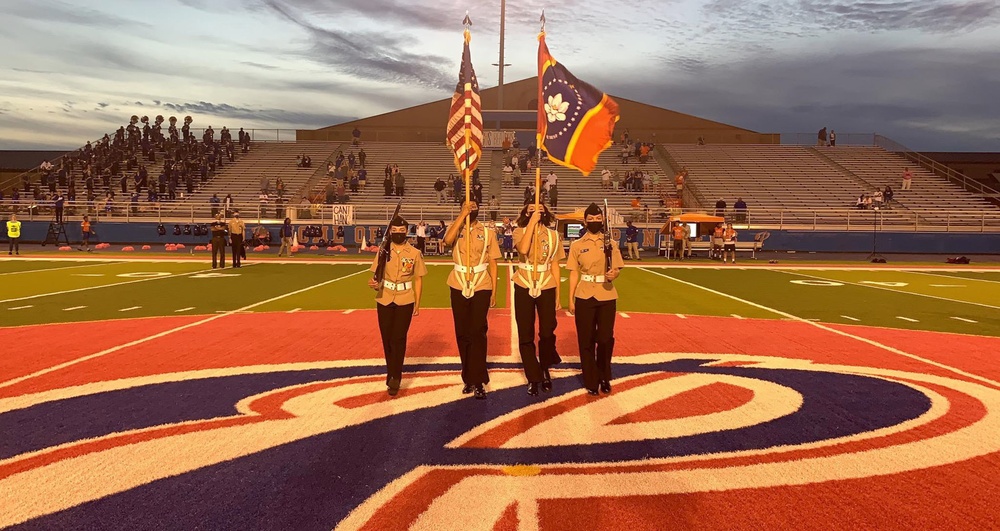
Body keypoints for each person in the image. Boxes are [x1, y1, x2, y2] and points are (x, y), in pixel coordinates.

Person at [443, 200, 502, 400]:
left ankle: (478, 380)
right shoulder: (456, 229)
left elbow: (493, 262)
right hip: (458, 282)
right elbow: (446, 241)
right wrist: (462, 216)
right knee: (462, 332)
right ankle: (467, 376)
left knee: (478, 332)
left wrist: (494, 290)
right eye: (468, 205)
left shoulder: (487, 233)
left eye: (475, 205)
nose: (472, 208)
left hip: (481, 284)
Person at [566, 203, 624, 395]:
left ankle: (604, 376)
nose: (594, 222)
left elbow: (616, 267)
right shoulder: (577, 245)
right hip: (584, 295)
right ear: (584, 222)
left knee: (606, 339)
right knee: (586, 340)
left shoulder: (610, 243)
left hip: (606, 293)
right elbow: (574, 272)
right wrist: (571, 298)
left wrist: (613, 274)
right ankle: (591, 380)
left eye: (598, 219)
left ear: (603, 220)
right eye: (590, 220)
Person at [366, 216, 427, 396]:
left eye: (402, 231)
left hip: (405, 298)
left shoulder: (414, 253)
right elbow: (376, 276)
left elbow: (418, 279)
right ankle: (391, 372)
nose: (398, 234)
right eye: (395, 231)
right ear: (390, 232)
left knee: (398, 338)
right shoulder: (383, 251)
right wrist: (374, 284)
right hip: (384, 297)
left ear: (407, 232)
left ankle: (395, 377)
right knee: (387, 338)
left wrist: (417, 302)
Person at [512, 203, 564, 395]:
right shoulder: (520, 231)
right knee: (526, 333)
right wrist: (532, 224)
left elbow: (556, 265)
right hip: (524, 282)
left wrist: (558, 294)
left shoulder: (553, 236)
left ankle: (544, 367)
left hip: (546, 283)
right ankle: (533, 377)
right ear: (526, 212)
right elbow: (524, 249)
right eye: (532, 209)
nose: (537, 212)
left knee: (548, 330)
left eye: (540, 209)